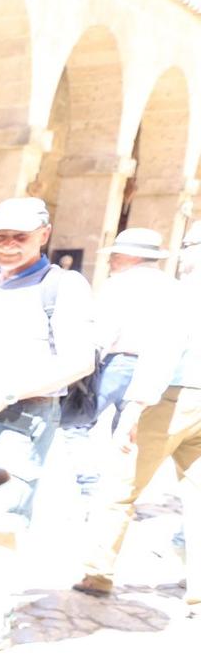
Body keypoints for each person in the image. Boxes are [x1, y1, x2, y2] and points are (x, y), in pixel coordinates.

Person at [74, 234, 201, 608]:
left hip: (173, 396)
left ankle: (98, 572)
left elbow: (164, 350)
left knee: (121, 484)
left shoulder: (183, 294)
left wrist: (135, 407)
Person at [0, 196, 97, 530]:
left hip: (24, 415)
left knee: (5, 514)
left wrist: (6, 394)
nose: (8, 246)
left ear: (43, 235)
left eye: (20, 237)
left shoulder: (63, 286)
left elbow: (80, 361)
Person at [87, 228, 178, 433]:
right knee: (126, 429)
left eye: (115, 256)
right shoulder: (173, 287)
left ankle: (76, 465)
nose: (110, 261)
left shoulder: (118, 284)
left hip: (115, 364)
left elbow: (105, 330)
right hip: (155, 369)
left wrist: (87, 366)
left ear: (131, 257)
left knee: (77, 422)